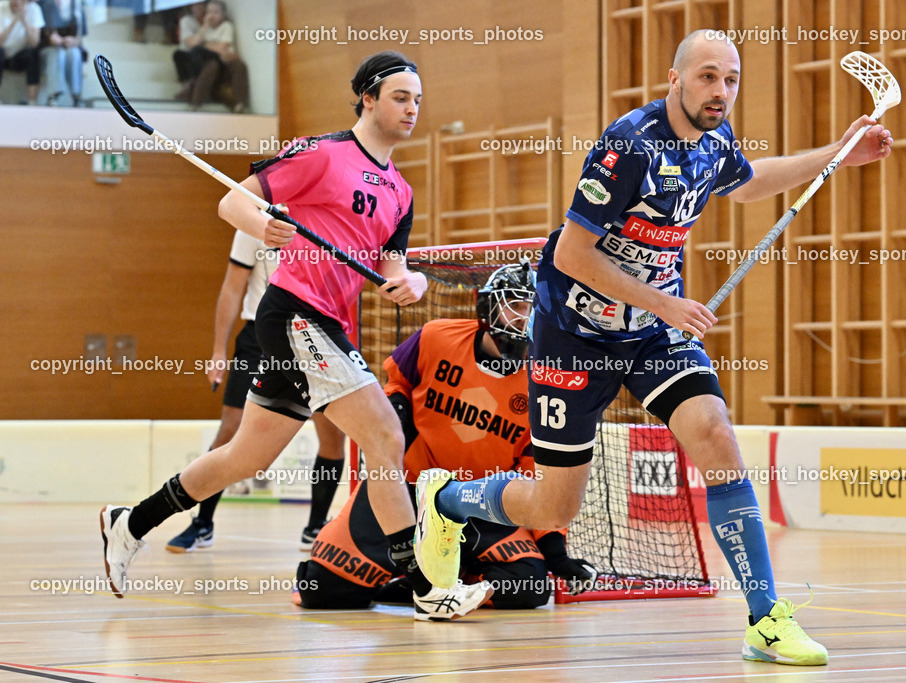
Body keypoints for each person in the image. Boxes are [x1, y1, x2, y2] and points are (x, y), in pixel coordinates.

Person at [414, 30, 893, 664]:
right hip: (573, 335)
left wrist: (838, 152)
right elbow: (572, 254)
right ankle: (446, 501)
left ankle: (765, 619)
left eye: (731, 79)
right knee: (554, 506)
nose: (720, 91)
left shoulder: (713, 141)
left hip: (651, 331)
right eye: (708, 77)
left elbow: (749, 182)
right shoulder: (628, 145)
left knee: (715, 435)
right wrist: (665, 302)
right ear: (675, 78)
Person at [100, 50, 493, 621]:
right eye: (400, 97)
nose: (412, 109)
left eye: (417, 100)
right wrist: (266, 226)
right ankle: (425, 586)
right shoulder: (322, 153)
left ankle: (129, 522)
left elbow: (391, 265)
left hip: (330, 322)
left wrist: (409, 282)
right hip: (294, 314)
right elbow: (232, 200)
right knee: (385, 434)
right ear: (368, 99)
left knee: (245, 457)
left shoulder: (400, 192)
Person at [294, 263, 597, 617]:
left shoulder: (546, 383)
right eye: (516, 305)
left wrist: (557, 555)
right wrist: (396, 423)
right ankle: (420, 575)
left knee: (529, 586)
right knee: (323, 591)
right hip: (407, 489)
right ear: (488, 307)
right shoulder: (435, 337)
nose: (525, 317)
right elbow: (396, 385)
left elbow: (540, 481)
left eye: (534, 309)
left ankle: (440, 584)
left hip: (480, 501)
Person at [165, 229, 347, 554]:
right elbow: (232, 288)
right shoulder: (253, 219)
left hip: (316, 334)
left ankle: (315, 527)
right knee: (230, 431)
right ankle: (203, 523)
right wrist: (218, 351)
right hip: (260, 335)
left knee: (333, 434)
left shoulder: (328, 220)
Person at [171, 0, 248, 112]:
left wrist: (207, 45)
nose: (212, 15)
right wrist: (206, 32)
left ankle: (240, 105)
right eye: (209, 12)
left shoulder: (226, 26)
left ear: (223, 15)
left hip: (225, 65)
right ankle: (196, 103)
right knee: (212, 65)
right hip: (210, 68)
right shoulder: (204, 30)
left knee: (239, 65)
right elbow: (197, 45)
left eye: (216, 12)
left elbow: (223, 47)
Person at [37, 0, 86, 107]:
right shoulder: (46, 4)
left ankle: (76, 95)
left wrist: (71, 41)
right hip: (48, 49)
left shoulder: (76, 7)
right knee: (58, 53)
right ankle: (53, 96)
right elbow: (48, 35)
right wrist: (59, 41)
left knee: (75, 54)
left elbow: (79, 37)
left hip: (69, 48)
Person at [0, 0, 44, 105]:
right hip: (3, 53)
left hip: (20, 56)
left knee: (34, 53)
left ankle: (32, 100)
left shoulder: (34, 9)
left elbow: (35, 42)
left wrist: (24, 20)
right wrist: (14, 21)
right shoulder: (1, 7)